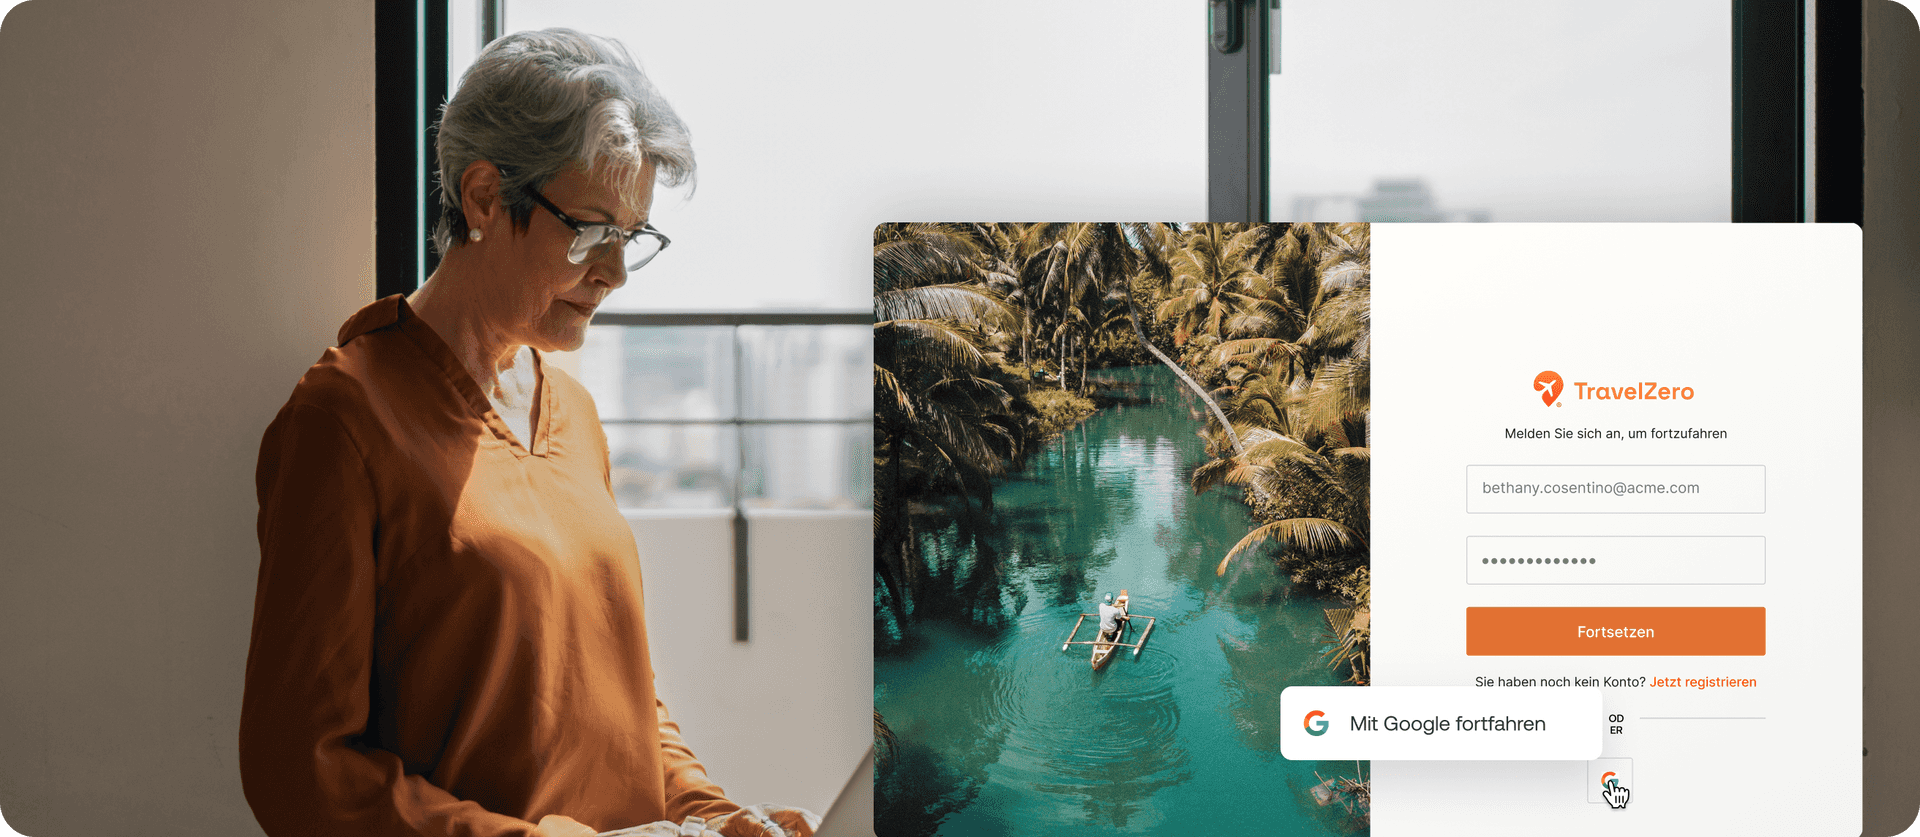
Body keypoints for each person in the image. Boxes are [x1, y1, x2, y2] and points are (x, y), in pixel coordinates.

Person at [239, 29, 814, 837]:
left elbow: (623, 696)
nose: (613, 272)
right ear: (482, 197)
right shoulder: (343, 420)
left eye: (633, 236)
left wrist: (715, 816)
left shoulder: (573, 416)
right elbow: (300, 771)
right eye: (591, 230)